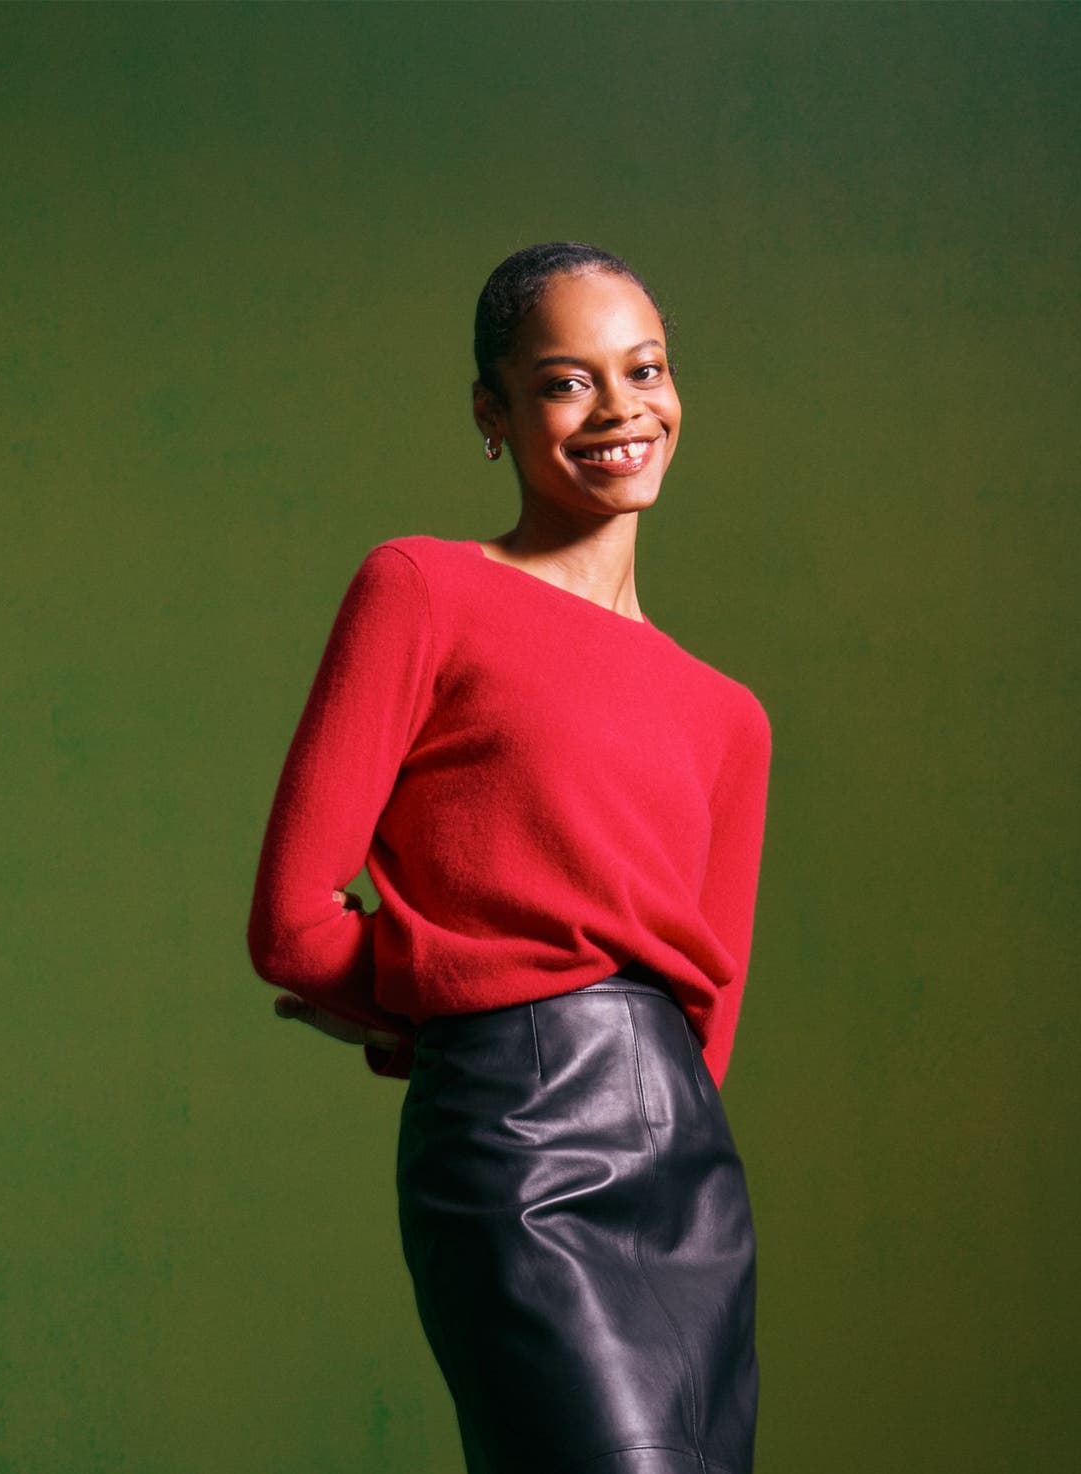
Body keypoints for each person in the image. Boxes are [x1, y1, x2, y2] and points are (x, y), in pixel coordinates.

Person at [246, 241, 773, 1474]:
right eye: (563, 381)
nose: (619, 408)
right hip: (517, 1140)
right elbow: (294, 920)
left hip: (687, 1176)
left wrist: (440, 1012)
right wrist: (464, 1018)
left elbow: (709, 1024)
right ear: (492, 413)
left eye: (642, 368)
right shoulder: (423, 589)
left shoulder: (729, 715)